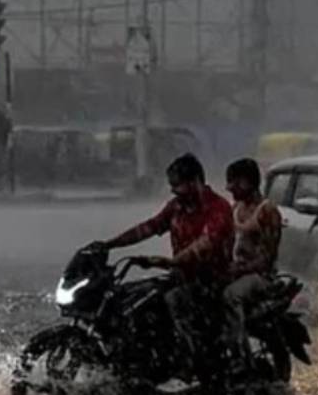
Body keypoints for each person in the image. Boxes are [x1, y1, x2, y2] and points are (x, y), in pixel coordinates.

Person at [92, 153, 233, 367]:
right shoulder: (176, 207)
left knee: (174, 300)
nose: (173, 190)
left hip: (212, 280)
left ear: (195, 181)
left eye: (177, 185)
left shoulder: (218, 208)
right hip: (181, 276)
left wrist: (170, 262)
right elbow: (149, 227)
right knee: (133, 297)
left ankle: (195, 358)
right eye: (172, 185)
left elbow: (205, 243)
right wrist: (110, 244)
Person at [221, 158, 284, 369]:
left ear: (248, 181)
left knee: (230, 296)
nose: (229, 187)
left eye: (233, 182)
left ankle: (240, 356)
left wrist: (238, 270)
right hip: (236, 272)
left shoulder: (268, 211)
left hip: (261, 277)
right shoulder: (235, 208)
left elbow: (267, 258)